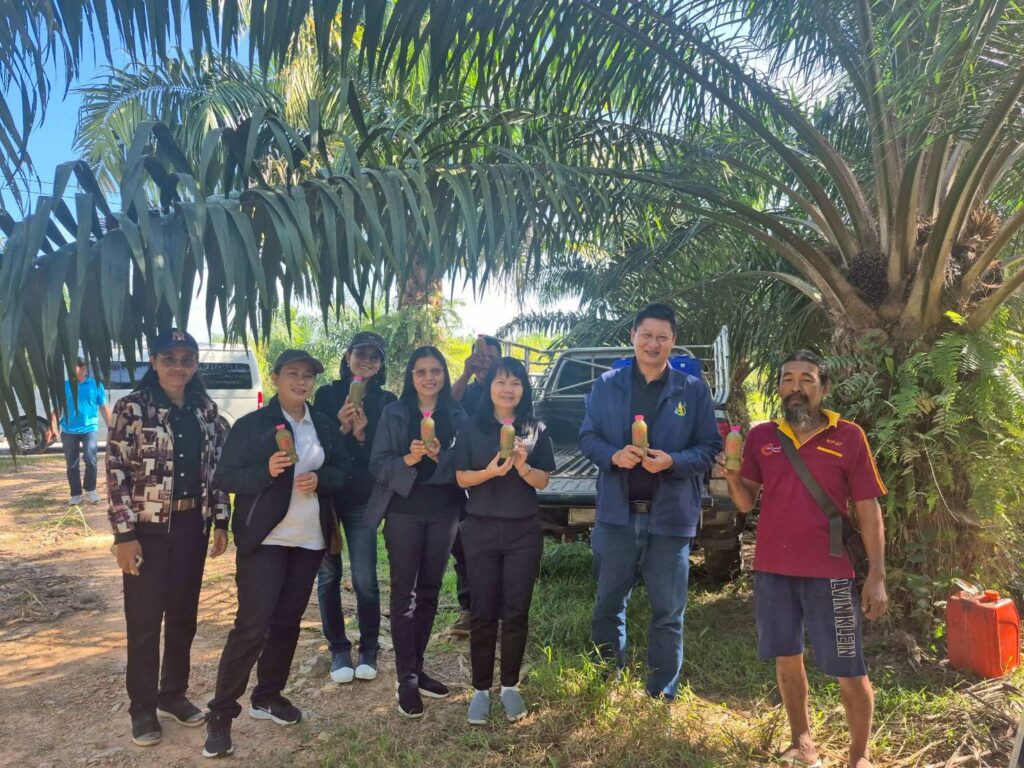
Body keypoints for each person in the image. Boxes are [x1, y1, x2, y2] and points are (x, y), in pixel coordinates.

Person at [719, 350, 888, 768]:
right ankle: (801, 741)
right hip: (773, 570)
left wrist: (876, 575)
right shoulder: (762, 437)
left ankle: (859, 755)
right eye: (788, 379)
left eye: (807, 379)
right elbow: (745, 502)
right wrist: (732, 478)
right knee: (787, 657)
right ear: (779, 388)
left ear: (824, 388)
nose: (796, 387)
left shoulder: (849, 436)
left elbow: (868, 509)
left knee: (849, 666)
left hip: (831, 573)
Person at [203, 350, 350, 758]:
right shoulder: (253, 425)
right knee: (251, 627)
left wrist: (320, 478)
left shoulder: (322, 424)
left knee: (286, 624)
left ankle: (268, 695)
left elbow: (343, 471)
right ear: (276, 378)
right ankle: (221, 715)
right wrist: (265, 472)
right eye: (292, 374)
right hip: (265, 540)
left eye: (307, 376)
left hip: (309, 540)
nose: (301, 382)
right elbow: (225, 476)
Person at [579, 303, 722, 700]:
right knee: (608, 604)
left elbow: (710, 446)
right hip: (617, 515)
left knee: (668, 612)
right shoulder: (607, 385)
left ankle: (661, 692)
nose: (653, 344)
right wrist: (613, 455)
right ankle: (606, 680)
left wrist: (674, 461)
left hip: (670, 517)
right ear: (633, 337)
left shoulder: (692, 390)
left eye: (662, 337)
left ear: (673, 342)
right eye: (646, 335)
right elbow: (588, 437)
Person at [106, 330, 230, 748]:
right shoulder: (133, 408)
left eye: (187, 358)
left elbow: (218, 470)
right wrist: (124, 534)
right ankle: (142, 708)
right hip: (147, 531)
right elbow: (116, 472)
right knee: (144, 623)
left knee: (182, 618)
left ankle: (172, 695)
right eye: (170, 358)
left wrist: (221, 521)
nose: (179, 366)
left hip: (193, 526)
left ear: (196, 364)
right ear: (154, 361)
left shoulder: (205, 410)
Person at [366, 346, 466, 719]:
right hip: (404, 512)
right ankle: (406, 679)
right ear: (411, 377)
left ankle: (417, 667)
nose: (429, 377)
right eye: (421, 371)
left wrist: (439, 456)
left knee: (429, 591)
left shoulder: (456, 414)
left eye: (435, 370)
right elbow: (378, 465)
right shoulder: (395, 412)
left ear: (444, 374)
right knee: (403, 594)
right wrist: (408, 458)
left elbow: (467, 463)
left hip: (445, 511)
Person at [455, 356, 555, 725]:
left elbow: (543, 481)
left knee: (516, 610)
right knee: (482, 611)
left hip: (523, 531)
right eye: (500, 381)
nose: (508, 388)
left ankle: (510, 686)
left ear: (524, 389)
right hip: (480, 528)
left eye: (515, 382)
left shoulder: (535, 428)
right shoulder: (472, 426)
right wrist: (490, 472)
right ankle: (481, 689)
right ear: (489, 387)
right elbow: (461, 478)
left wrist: (523, 466)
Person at [312, 331, 396, 684]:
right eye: (361, 354)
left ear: (380, 364)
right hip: (327, 499)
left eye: (374, 357)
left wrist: (361, 436)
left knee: (364, 578)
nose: (367, 361)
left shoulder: (387, 401)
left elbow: (384, 455)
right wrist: (341, 429)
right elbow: (315, 447)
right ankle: (338, 648)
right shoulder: (327, 395)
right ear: (348, 357)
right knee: (328, 576)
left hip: (363, 498)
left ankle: (369, 647)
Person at [448, 334, 501, 634]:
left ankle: (498, 607)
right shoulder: (466, 391)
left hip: (498, 478)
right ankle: (468, 609)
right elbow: (448, 403)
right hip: (464, 476)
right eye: (481, 358)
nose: (485, 364)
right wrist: (467, 372)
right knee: (462, 544)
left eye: (491, 359)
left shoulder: (506, 391)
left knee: (497, 544)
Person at [49, 357, 113, 506]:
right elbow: (57, 409)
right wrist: (53, 427)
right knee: (72, 463)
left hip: (90, 428)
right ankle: (76, 494)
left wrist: (112, 428)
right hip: (69, 430)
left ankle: (90, 489)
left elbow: (104, 408)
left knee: (91, 458)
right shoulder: (64, 386)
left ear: (84, 368)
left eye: (76, 367)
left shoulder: (96, 385)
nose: (73, 370)